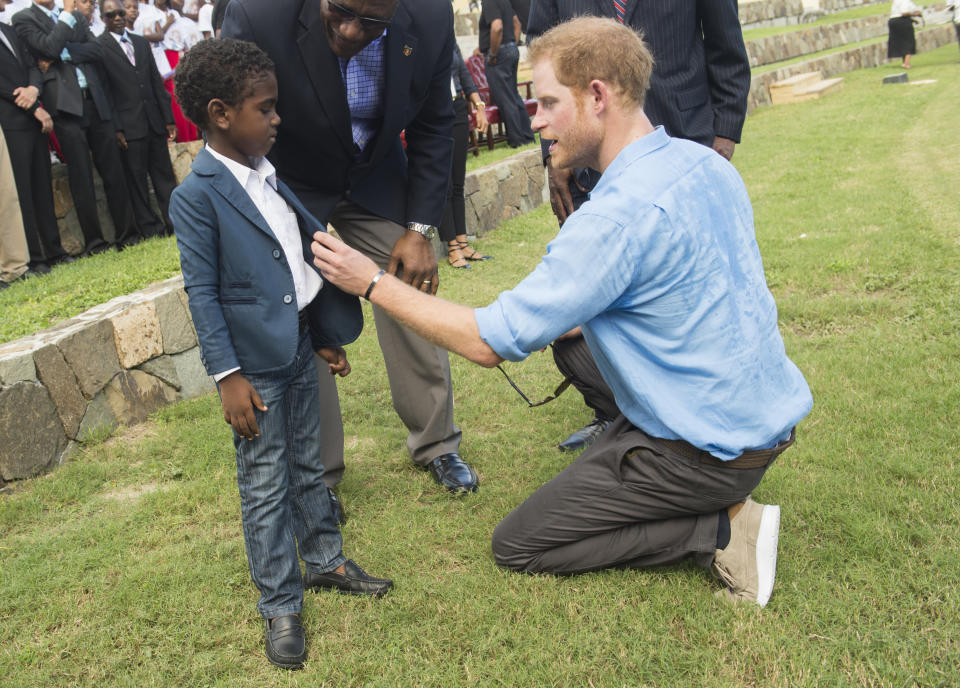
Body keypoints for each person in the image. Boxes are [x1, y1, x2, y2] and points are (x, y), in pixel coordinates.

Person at [310, 17, 813, 608]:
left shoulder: (613, 218)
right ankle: (661, 463)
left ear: (597, 96)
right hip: (764, 418)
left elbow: (486, 340)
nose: (535, 119)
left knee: (520, 544)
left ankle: (720, 529)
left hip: (715, 451)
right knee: (573, 339)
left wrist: (369, 282)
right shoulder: (704, 163)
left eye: (547, 101)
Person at [169, 38, 392, 670]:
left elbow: (296, 264)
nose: (276, 120)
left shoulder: (271, 175)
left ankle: (324, 559)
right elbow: (204, 294)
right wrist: (228, 376)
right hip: (253, 367)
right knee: (264, 484)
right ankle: (278, 603)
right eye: (264, 110)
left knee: (309, 463)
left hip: (296, 345)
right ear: (220, 113)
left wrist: (320, 334)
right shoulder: (198, 196)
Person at [222, 0, 480, 496]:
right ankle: (319, 474)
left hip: (375, 173)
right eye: (339, 9)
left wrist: (420, 228)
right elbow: (230, 122)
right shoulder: (259, 16)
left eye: (371, 22)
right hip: (288, 176)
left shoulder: (428, 17)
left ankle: (437, 442)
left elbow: (432, 125)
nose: (348, 29)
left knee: (410, 287)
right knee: (296, 307)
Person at [526, 0, 751, 454]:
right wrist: (556, 150)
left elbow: (726, 48)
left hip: (682, 134)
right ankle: (614, 416)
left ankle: (705, 419)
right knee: (596, 298)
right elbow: (543, 55)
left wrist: (721, 136)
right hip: (594, 154)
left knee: (684, 297)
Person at [13, 0, 118, 255]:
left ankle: (129, 232)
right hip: (63, 105)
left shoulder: (75, 18)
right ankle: (95, 242)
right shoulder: (24, 17)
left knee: (113, 168)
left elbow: (96, 49)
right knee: (81, 174)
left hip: (93, 99)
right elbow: (47, 45)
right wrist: (68, 16)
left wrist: (63, 52)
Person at [98, 0, 177, 237]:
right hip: (128, 127)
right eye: (111, 14)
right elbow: (105, 92)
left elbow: (155, 81)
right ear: (103, 18)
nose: (118, 18)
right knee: (137, 181)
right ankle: (150, 228)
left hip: (153, 121)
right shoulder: (99, 47)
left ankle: (176, 222)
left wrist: (168, 118)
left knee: (165, 177)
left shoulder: (141, 43)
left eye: (120, 13)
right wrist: (117, 128)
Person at [0, 0, 67, 274]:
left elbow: (31, 65)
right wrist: (25, 97)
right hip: (10, 119)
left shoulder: (9, 28)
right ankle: (35, 258)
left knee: (42, 186)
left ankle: (55, 251)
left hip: (33, 115)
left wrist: (34, 90)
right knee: (22, 192)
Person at [442, 42, 491, 270]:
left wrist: (479, 106)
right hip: (434, 111)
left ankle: (462, 241)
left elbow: (463, 71)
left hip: (458, 108)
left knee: (458, 181)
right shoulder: (419, 31)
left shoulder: (447, 32)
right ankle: (452, 247)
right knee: (445, 183)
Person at [479, 0, 534, 147]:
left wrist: (493, 54)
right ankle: (527, 135)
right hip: (510, 49)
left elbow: (497, 27)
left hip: (499, 54)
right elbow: (517, 23)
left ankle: (517, 139)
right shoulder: (505, 2)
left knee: (505, 98)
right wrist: (511, 45)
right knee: (513, 95)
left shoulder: (489, 2)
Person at [888, 0, 922, 69]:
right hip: (902, 21)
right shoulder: (905, 1)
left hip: (893, 21)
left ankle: (904, 62)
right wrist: (915, 14)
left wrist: (913, 19)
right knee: (909, 41)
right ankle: (906, 63)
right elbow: (904, 13)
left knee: (901, 42)